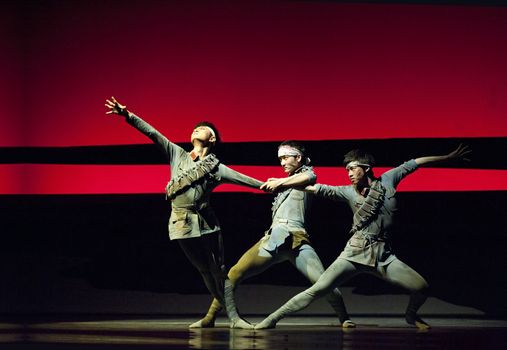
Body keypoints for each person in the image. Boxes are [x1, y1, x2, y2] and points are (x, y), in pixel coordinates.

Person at [255, 145, 471, 330]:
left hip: (384, 256)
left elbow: (415, 163)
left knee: (422, 288)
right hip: (354, 252)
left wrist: (447, 158)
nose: (349, 173)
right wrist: (281, 182)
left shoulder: (388, 180)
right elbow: (313, 187)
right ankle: (273, 319)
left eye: (352, 168)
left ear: (366, 168)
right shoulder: (347, 192)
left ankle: (411, 316)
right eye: (346, 169)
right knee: (319, 289)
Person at [105, 96, 264, 329]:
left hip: (207, 220)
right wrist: (128, 116)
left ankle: (233, 318)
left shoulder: (216, 167)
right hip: (181, 221)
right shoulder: (178, 155)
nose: (197, 129)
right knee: (203, 270)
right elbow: (153, 134)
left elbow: (245, 180)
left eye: (203, 128)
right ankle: (224, 316)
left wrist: (272, 185)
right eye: (195, 128)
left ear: (212, 138)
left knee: (218, 270)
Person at [189, 141, 354, 329]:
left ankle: (344, 318)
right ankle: (210, 317)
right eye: (280, 159)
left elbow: (309, 176)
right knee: (234, 273)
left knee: (325, 283)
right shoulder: (288, 181)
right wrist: (279, 183)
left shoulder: (306, 175)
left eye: (285, 158)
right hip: (274, 239)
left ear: (298, 158)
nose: (282, 162)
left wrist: (278, 182)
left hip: (297, 241)